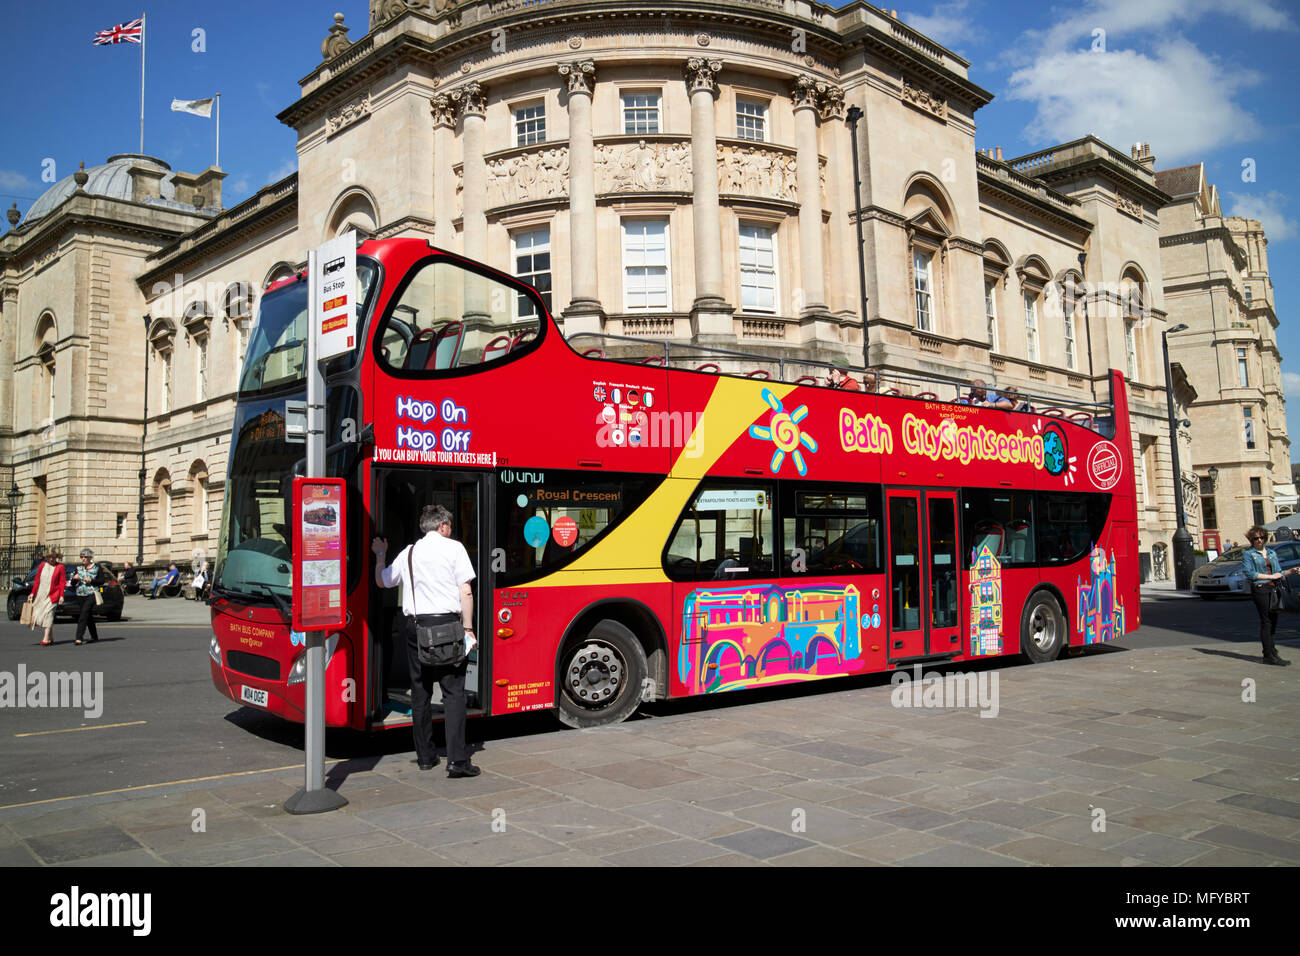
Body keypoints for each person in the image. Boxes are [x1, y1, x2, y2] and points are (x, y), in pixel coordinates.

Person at [372, 504, 480, 777]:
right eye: (450, 526)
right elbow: (465, 591)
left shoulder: (409, 552)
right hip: (448, 626)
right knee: (454, 694)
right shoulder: (454, 548)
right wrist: (468, 628)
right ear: (443, 525)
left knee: (420, 692)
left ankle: (425, 756)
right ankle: (457, 760)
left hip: (416, 628)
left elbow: (383, 581)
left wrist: (381, 555)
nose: (450, 530)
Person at [1241, 525, 1295, 666]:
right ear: (1251, 540)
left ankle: (1272, 651)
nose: (1259, 540)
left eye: (1261, 537)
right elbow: (1250, 573)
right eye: (1256, 538)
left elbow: (1279, 572)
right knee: (1266, 621)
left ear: (1265, 537)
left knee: (1274, 620)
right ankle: (1268, 654)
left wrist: (1292, 571)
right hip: (1260, 588)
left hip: (1274, 588)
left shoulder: (1271, 552)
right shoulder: (1249, 554)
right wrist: (1269, 576)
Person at [27, 548, 66, 647]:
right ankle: (51, 637)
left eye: (53, 557)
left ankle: (46, 638)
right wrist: (32, 593)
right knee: (43, 614)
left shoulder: (60, 567)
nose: (51, 559)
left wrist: (61, 595)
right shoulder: (42, 565)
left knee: (49, 614)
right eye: (49, 557)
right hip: (41, 594)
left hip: (53, 595)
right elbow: (37, 581)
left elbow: (62, 583)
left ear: (56, 557)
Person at [71, 548, 105, 645]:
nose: (83, 559)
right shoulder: (79, 569)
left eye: (85, 557)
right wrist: (75, 578)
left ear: (90, 557)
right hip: (80, 594)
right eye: (82, 557)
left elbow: (101, 581)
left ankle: (79, 638)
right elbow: (73, 583)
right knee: (88, 615)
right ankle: (94, 636)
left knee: (83, 614)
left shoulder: (97, 568)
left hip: (92, 594)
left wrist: (91, 581)